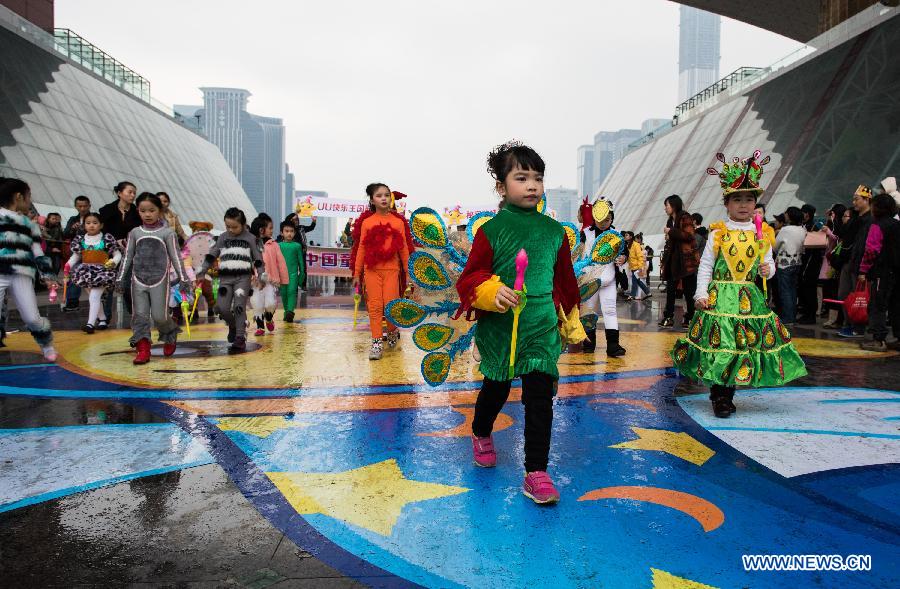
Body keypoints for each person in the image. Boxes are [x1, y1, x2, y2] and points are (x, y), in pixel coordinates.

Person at [457, 141, 584, 505]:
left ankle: (536, 471)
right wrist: (491, 292)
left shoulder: (554, 232)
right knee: (495, 389)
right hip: (501, 327)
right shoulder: (492, 231)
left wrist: (570, 320)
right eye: (521, 177)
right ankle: (481, 431)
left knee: (540, 397)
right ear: (502, 187)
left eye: (538, 178)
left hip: (541, 326)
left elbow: (565, 280)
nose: (532, 185)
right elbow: (471, 277)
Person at [672, 152, 806, 417]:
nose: (743, 205)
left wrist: (768, 270)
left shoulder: (762, 232)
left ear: (755, 203)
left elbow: (768, 265)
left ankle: (727, 394)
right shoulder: (718, 232)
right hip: (720, 297)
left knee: (739, 348)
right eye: (737, 199)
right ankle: (719, 396)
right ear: (727, 203)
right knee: (723, 346)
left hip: (747, 298)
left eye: (749, 199)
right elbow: (707, 265)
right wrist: (700, 293)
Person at [116, 193, 190, 364]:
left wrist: (183, 279)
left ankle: (170, 334)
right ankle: (143, 349)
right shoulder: (135, 233)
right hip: (138, 280)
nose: (147, 214)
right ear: (138, 212)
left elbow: (176, 257)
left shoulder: (168, 233)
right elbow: (128, 257)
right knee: (139, 316)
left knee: (160, 316)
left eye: (151, 210)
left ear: (160, 211)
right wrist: (120, 278)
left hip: (160, 280)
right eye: (143, 211)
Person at [351, 183, 414, 360]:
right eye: (379, 195)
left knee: (390, 307)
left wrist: (408, 272)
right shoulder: (367, 223)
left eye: (386, 195)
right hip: (371, 271)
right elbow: (361, 249)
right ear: (372, 200)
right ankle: (377, 343)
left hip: (392, 270)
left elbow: (403, 250)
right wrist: (357, 274)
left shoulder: (398, 222)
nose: (384, 198)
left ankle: (393, 332)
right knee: (375, 307)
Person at [0, 178, 57, 361]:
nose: (29, 201)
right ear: (18, 197)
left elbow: (38, 251)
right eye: (28, 196)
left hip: (22, 275)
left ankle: (46, 344)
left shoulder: (30, 225)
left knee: (32, 317)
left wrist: (48, 275)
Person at [197, 208, 264, 353]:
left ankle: (240, 337)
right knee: (222, 307)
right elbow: (212, 254)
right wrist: (202, 270)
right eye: (228, 226)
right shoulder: (222, 237)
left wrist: (261, 274)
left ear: (243, 224)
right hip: (225, 279)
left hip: (243, 278)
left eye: (235, 227)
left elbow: (258, 258)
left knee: (239, 306)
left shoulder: (251, 238)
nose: (231, 230)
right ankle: (233, 325)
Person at [578, 198, 627, 356]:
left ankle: (613, 345)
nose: (603, 223)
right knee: (589, 312)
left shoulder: (617, 234)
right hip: (590, 280)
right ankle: (588, 344)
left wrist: (623, 258)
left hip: (609, 280)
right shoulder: (585, 233)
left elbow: (624, 252)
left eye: (607, 220)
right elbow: (579, 253)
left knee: (610, 311)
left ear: (612, 218)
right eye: (600, 220)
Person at [65, 213, 122, 333]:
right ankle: (102, 319)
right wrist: (68, 265)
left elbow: (117, 254)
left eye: (95, 223)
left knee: (94, 296)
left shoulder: (106, 238)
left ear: (101, 225)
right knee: (94, 297)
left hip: (102, 272)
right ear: (84, 225)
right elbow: (76, 256)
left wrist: (112, 262)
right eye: (88, 223)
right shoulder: (80, 240)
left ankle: (90, 324)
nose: (91, 225)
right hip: (85, 273)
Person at [858, 194, 899, 352]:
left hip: (883, 271)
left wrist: (863, 270)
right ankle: (898, 337)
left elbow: (871, 251)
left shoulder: (877, 225)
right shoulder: (897, 224)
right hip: (897, 271)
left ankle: (879, 340)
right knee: (897, 304)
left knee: (878, 305)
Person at [99, 181, 140, 319]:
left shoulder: (137, 212)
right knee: (107, 283)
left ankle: (133, 312)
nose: (132, 195)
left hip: (130, 252)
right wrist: (113, 241)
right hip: (109, 252)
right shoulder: (106, 211)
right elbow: (102, 230)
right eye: (130, 192)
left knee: (128, 284)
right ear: (119, 193)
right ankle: (105, 316)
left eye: (134, 192)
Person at [838, 185, 873, 338]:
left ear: (867, 200)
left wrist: (864, 269)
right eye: (853, 199)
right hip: (849, 262)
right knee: (844, 295)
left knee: (859, 297)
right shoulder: (856, 218)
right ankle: (849, 324)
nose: (854, 202)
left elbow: (868, 245)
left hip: (860, 264)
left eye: (857, 199)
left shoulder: (871, 219)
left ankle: (858, 327)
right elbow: (844, 234)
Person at [659, 194, 699, 328]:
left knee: (689, 291)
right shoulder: (670, 221)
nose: (665, 208)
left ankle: (690, 317)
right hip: (673, 261)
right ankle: (668, 316)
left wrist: (671, 231)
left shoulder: (685, 217)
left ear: (674, 205)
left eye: (667, 205)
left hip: (686, 261)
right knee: (670, 289)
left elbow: (689, 235)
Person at [250, 215, 287, 336]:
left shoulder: (274, 245)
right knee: (256, 303)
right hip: (256, 281)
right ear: (261, 230)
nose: (272, 231)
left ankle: (269, 317)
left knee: (270, 303)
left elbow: (281, 262)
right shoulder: (251, 244)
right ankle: (260, 327)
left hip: (270, 281)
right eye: (270, 228)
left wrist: (284, 279)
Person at [774, 207, 806, 324]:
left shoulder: (785, 230)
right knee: (792, 290)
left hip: (784, 264)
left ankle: (787, 318)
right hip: (797, 262)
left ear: (790, 215)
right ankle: (792, 316)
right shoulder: (802, 230)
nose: (785, 215)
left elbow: (775, 246)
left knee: (785, 291)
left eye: (786, 213)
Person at [62, 195, 92, 310]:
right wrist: (72, 229)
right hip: (77, 251)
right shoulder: (72, 219)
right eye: (80, 206)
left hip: (91, 250)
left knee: (92, 275)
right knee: (74, 274)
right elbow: (65, 234)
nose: (83, 208)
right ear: (76, 206)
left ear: (89, 205)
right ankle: (72, 301)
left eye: (85, 206)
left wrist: (84, 229)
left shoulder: (94, 217)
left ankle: (98, 301)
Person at [820, 204, 847, 328]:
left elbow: (837, 239)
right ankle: (832, 318)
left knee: (834, 290)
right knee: (830, 288)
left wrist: (829, 232)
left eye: (833, 213)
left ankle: (835, 319)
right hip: (830, 260)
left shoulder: (841, 227)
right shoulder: (832, 224)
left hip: (835, 262)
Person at [277, 222, 304, 323]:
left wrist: (302, 274)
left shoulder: (297, 246)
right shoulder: (278, 246)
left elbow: (301, 261)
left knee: (292, 292)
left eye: (291, 231)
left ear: (295, 233)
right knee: (284, 294)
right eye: (286, 231)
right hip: (281, 274)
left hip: (293, 274)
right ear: (282, 233)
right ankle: (286, 312)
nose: (289, 234)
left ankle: (290, 312)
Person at [623, 231, 650, 301]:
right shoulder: (628, 245)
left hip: (637, 267)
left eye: (627, 235)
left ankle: (631, 295)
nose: (625, 236)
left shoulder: (636, 245)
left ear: (631, 237)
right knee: (638, 281)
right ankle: (648, 293)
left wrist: (640, 267)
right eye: (625, 235)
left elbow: (640, 256)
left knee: (634, 281)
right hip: (632, 267)